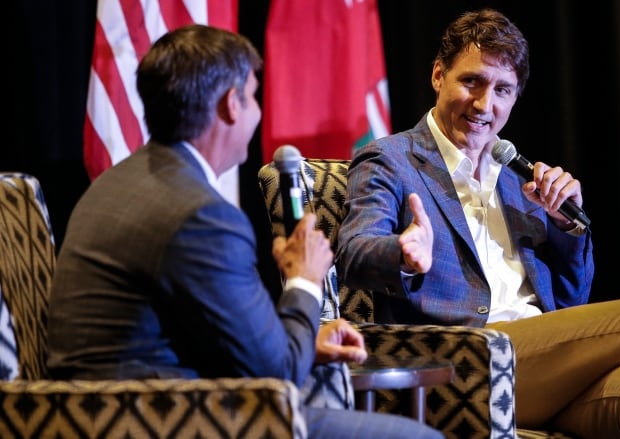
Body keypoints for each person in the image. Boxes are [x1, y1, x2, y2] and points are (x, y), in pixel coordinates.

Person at [336, 9, 620, 439]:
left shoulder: (519, 177)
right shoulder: (391, 159)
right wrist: (404, 254)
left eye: (503, 89)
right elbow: (353, 252)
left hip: (538, 363)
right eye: (471, 82)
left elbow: (573, 299)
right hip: (458, 365)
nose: (485, 105)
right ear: (438, 75)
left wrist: (566, 227)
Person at [46, 24, 443, 439]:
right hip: (159, 418)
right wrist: (304, 281)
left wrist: (300, 337)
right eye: (254, 96)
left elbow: (212, 331)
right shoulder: (202, 216)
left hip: (90, 413)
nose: (258, 111)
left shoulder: (116, 182)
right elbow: (278, 372)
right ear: (231, 104)